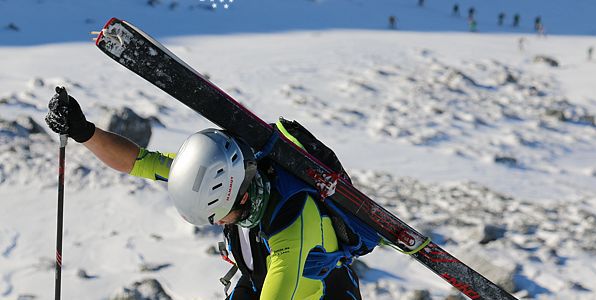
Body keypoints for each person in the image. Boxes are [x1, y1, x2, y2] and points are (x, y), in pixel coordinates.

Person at [44, 88, 363, 299]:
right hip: (257, 279)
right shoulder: (215, 173)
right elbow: (137, 162)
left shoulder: (292, 230)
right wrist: (83, 132)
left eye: (217, 216)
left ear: (242, 196)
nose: (216, 224)